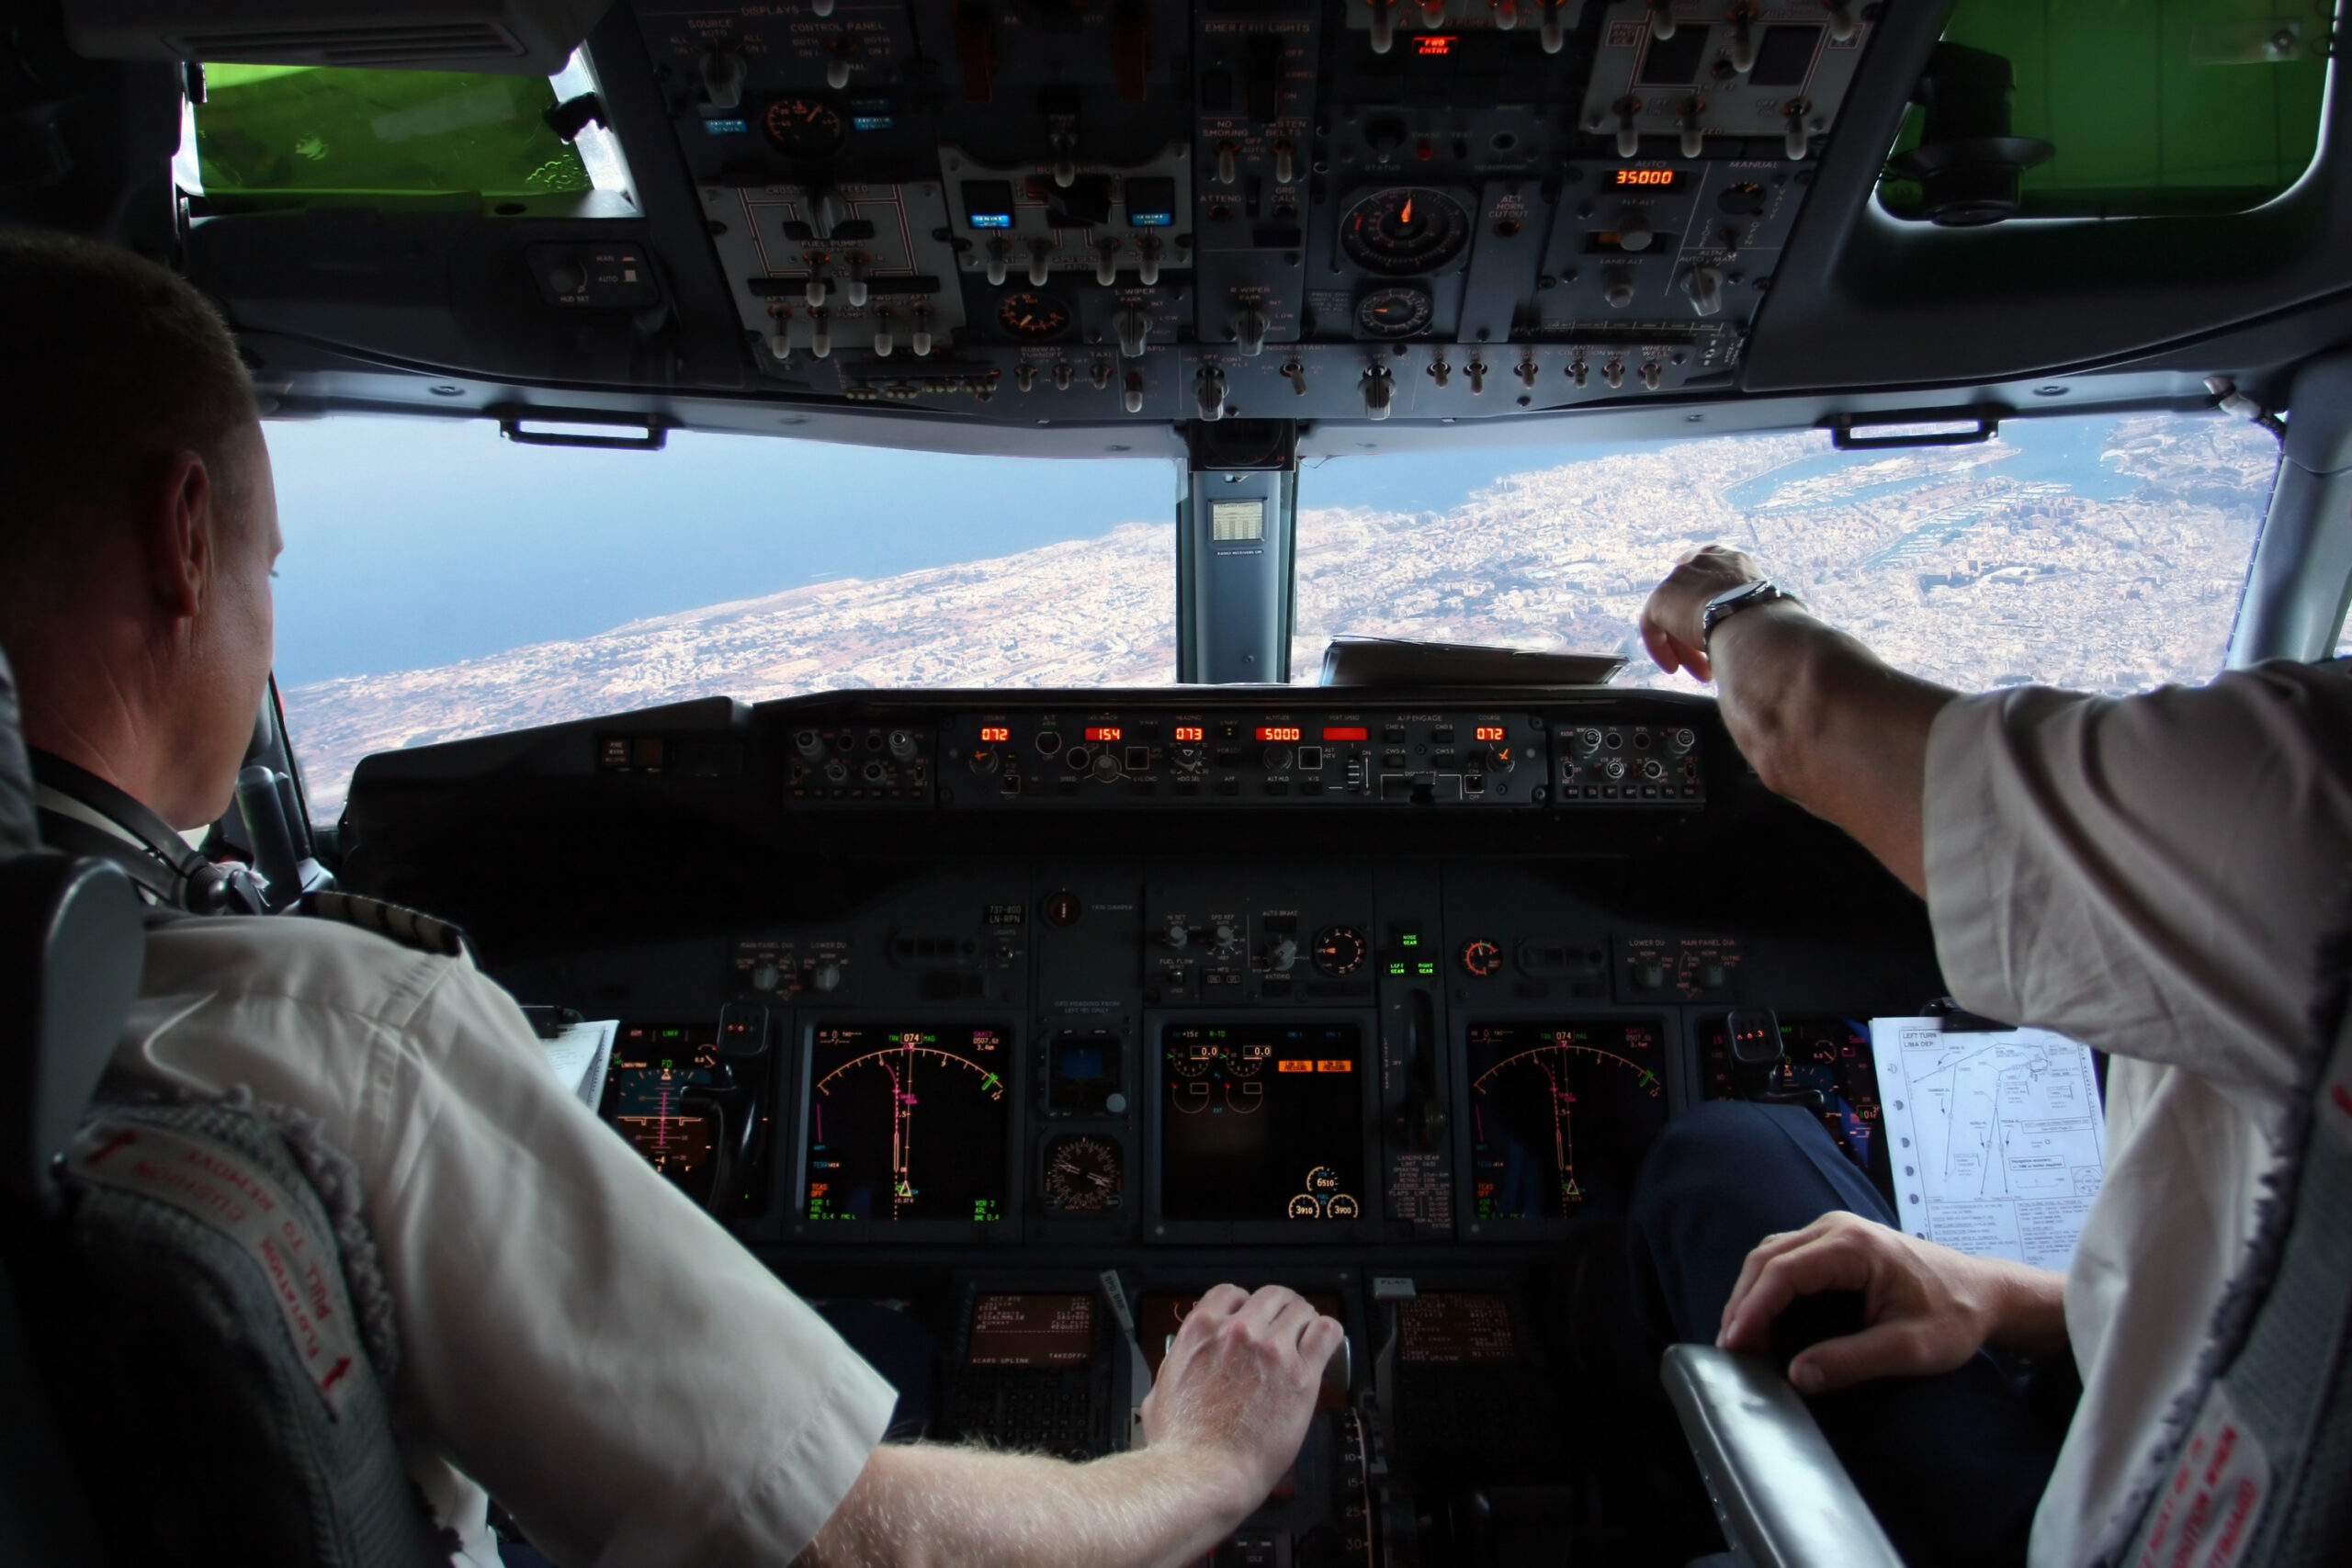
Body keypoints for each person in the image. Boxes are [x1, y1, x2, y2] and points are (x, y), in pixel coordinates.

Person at [0, 227, 1345, 1568]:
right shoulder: (341, 1029)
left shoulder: (163, 1020)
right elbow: (853, 1543)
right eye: (268, 565)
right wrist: (1210, 1458)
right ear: (187, 539)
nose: (265, 605)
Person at [1628, 544, 2352, 1566]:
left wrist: (1727, 602)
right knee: (1734, 1156)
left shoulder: (2317, 771)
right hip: (2145, 1424)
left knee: (1711, 1160)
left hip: (2114, 1525)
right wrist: (2002, 1298)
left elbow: (1806, 721)